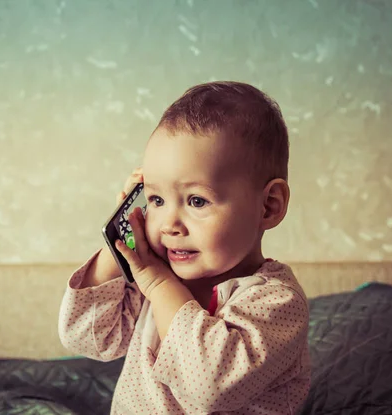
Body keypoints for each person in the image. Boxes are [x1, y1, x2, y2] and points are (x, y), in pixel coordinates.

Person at [59, 81, 310, 414]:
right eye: (157, 199)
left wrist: (161, 285)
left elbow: (208, 386)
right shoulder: (152, 278)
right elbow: (86, 337)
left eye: (196, 200)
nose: (169, 224)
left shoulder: (276, 302)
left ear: (268, 207)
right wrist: (118, 243)